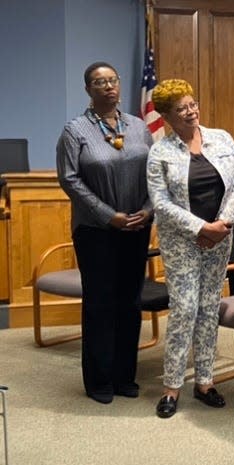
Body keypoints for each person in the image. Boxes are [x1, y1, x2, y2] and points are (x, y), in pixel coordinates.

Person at [147, 79, 234, 419]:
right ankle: (172, 386)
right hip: (182, 242)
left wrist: (222, 224)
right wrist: (200, 227)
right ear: (165, 116)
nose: (191, 111)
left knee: (208, 306)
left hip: (220, 238)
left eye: (192, 104)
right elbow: (160, 203)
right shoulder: (160, 151)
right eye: (181, 109)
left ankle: (205, 381)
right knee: (185, 308)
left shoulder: (220, 138)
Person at [57, 62, 154, 404]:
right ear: (89, 89)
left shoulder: (139, 127)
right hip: (96, 230)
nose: (108, 86)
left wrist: (148, 209)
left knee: (130, 302)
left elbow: (155, 173)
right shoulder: (76, 130)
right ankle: (99, 380)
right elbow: (69, 179)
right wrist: (108, 215)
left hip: (137, 226)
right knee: (100, 304)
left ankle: (124, 376)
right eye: (100, 82)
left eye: (112, 80)